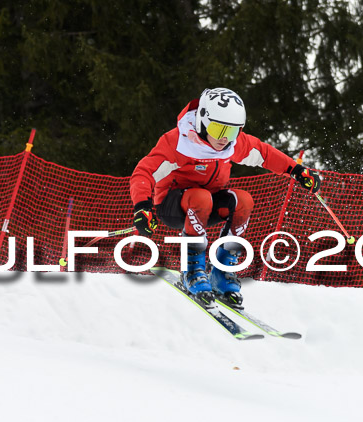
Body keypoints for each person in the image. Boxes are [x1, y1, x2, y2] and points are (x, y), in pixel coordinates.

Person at [130, 87, 321, 304]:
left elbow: (264, 154)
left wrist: (296, 171)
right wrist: (143, 206)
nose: (224, 139)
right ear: (202, 121)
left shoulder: (232, 144)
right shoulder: (179, 142)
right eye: (218, 129)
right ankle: (192, 270)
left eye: (231, 132)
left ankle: (221, 271)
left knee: (244, 201)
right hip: (172, 205)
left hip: (207, 203)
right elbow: (144, 172)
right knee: (200, 197)